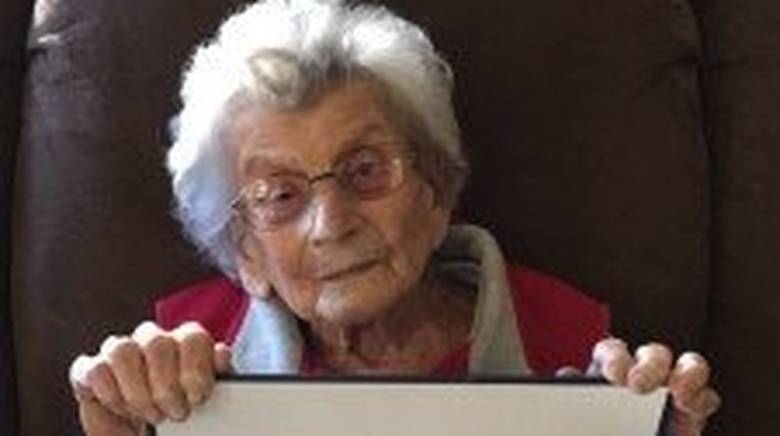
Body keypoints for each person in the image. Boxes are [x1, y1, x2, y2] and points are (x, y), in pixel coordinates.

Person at [68, 0, 720, 435]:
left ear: (435, 192)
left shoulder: (572, 344)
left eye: (365, 170)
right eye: (280, 196)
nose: (332, 222)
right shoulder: (172, 371)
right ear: (246, 252)